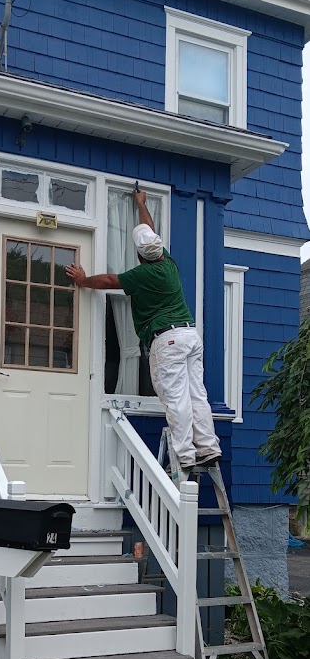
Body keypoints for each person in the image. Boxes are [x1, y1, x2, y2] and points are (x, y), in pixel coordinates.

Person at [65, 189, 221, 471]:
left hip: (168, 339)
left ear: (139, 254)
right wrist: (141, 204)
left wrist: (83, 280)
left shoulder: (143, 274)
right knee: (196, 394)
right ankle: (208, 447)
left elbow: (109, 280)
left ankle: (185, 456)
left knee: (176, 399)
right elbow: (149, 230)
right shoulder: (168, 263)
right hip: (190, 335)